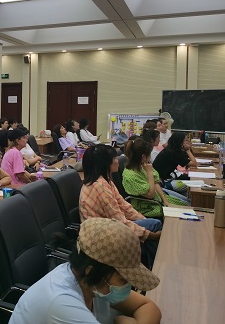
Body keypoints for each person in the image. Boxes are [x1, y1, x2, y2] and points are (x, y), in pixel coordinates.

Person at [10, 218, 161, 324]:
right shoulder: (62, 303)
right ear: (91, 271)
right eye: (123, 280)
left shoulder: (92, 283)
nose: (128, 285)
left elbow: (149, 307)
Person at [79, 144, 162, 268]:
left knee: (152, 224)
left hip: (110, 227)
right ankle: (154, 267)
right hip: (101, 236)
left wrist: (144, 220)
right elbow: (119, 221)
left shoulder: (105, 181)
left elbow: (124, 206)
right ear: (105, 163)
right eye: (114, 158)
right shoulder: (100, 186)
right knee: (155, 226)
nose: (117, 161)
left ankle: (151, 266)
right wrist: (150, 235)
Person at [123, 139, 190, 218]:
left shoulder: (143, 166)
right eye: (149, 154)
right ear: (143, 157)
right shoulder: (130, 175)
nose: (150, 156)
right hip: (147, 207)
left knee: (187, 204)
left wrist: (165, 200)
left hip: (158, 199)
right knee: (183, 211)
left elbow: (156, 182)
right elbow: (150, 194)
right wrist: (149, 173)